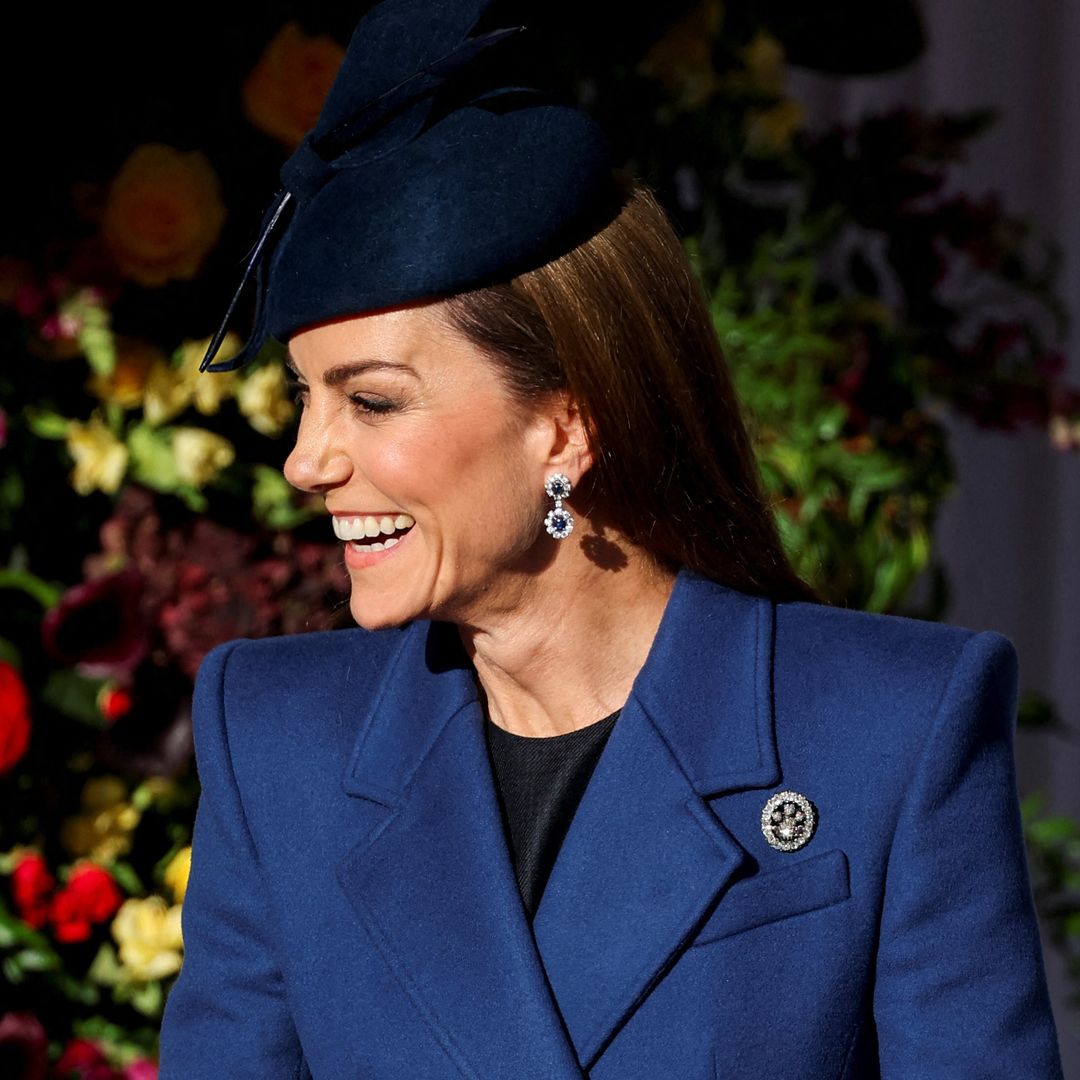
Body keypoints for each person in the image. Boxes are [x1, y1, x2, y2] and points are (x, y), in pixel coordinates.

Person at [157, 1, 1065, 1077]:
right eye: (307, 399)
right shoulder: (278, 744)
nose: (307, 461)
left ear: (567, 421)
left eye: (373, 402)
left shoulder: (892, 730)